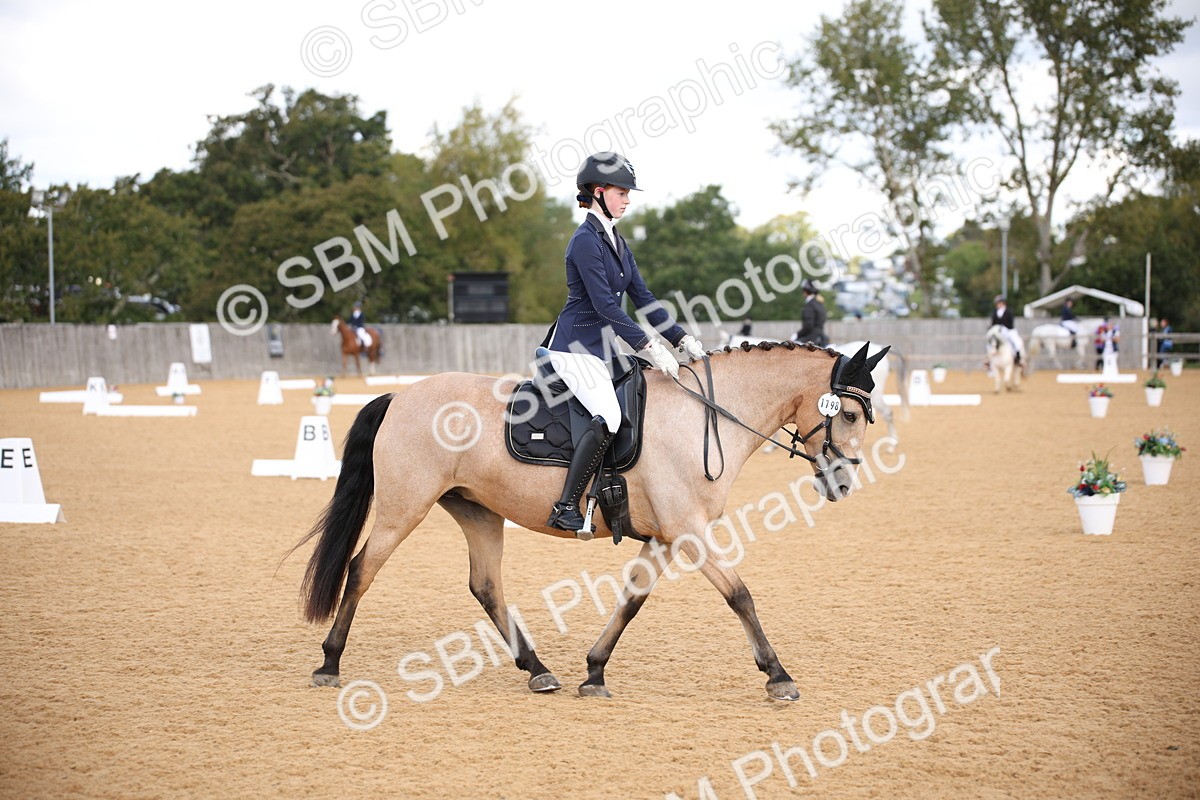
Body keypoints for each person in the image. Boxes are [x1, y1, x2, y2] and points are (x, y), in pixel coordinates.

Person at [543, 152, 705, 534]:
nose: (627, 199)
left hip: (602, 349)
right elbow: (603, 306)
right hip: (574, 348)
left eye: (628, 193)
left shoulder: (616, 239)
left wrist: (682, 340)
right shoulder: (585, 240)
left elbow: (644, 297)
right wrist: (648, 348)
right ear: (598, 192)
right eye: (621, 192)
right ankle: (565, 505)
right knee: (610, 415)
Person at [989, 294, 1025, 369]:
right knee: (991, 343)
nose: (997, 305)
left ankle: (1018, 359)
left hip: (1009, 330)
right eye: (997, 303)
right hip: (999, 331)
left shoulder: (1009, 311)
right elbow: (993, 323)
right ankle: (989, 361)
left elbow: (1011, 322)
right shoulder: (995, 312)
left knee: (1017, 343)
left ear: (1003, 303)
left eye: (999, 303)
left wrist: (1004, 327)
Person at [793, 279, 828, 347]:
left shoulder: (809, 305)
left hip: (811, 339)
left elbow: (808, 325)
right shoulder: (820, 304)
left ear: (805, 291)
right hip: (821, 338)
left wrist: (797, 335)